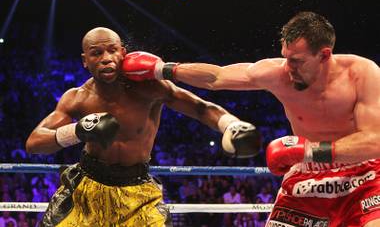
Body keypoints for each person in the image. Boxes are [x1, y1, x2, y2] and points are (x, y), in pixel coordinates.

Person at [121, 11, 380, 226]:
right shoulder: (278, 73)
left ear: (324, 55)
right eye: (285, 57)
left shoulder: (362, 74)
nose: (288, 68)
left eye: (297, 61)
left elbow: (375, 141)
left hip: (365, 174)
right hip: (309, 175)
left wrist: (310, 151)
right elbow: (218, 78)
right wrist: (162, 69)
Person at [25, 27, 261, 227]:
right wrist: (77, 131)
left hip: (137, 189)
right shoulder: (77, 98)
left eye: (112, 50)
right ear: (85, 61)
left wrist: (231, 125)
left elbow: (200, 108)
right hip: (86, 187)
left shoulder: (150, 88)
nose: (106, 58)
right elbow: (34, 143)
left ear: (123, 53)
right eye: (96, 53)